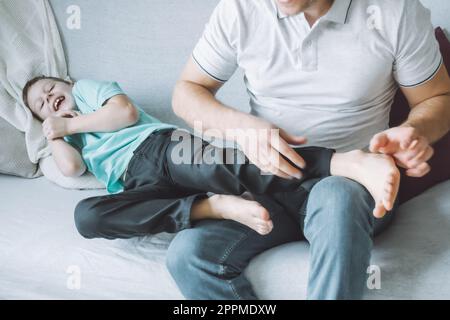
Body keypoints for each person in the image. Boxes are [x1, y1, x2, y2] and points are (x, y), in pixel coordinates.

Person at [168, 0, 450, 299]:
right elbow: (186, 92)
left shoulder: (395, 10)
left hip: (352, 185)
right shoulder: (240, 9)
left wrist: (415, 131)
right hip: (269, 182)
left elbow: (438, 97)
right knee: (188, 254)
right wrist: (240, 127)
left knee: (336, 195)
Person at [22, 76, 400, 238]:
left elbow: (125, 114)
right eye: (40, 105)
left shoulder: (88, 91)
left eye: (51, 88)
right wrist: (53, 132)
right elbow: (72, 169)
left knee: (231, 166)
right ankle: (210, 207)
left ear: (67, 84)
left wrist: (70, 125)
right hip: (138, 184)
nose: (49, 99)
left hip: (161, 147)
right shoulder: (64, 133)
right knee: (87, 217)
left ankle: (340, 162)